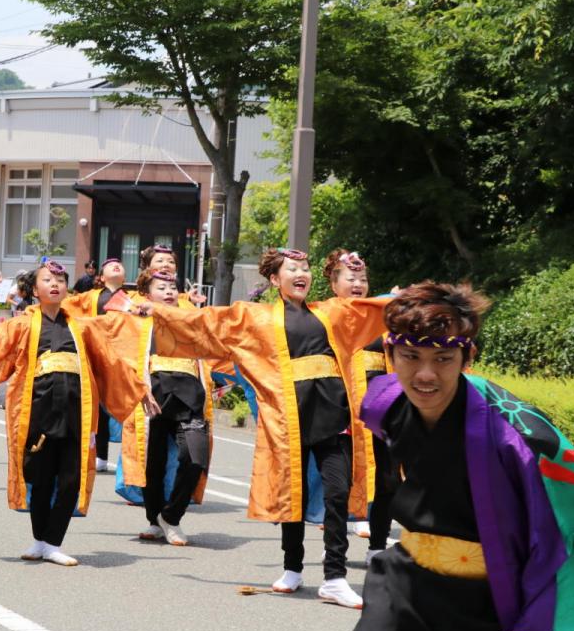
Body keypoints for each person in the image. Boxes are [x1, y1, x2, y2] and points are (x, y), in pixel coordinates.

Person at [283, 281, 574, 631]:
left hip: (483, 606)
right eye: (411, 357)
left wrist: (529, 629)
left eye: (443, 360)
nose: (425, 375)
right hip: (406, 587)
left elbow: (552, 534)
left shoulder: (513, 434)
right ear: (390, 353)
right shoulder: (383, 403)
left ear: (468, 358)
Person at [138, 247, 390, 608]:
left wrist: (422, 300)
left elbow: (378, 310)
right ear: (275, 279)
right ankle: (293, 567)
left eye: (305, 268)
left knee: (336, 496)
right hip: (290, 419)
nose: (301, 273)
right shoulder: (256, 317)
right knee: (295, 496)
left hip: (333, 416)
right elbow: (209, 322)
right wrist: (161, 309)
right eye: (292, 269)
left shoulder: (331, 312)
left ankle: (335, 577)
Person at [0, 261, 149, 566]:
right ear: (34, 290)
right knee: (39, 476)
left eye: (61, 280)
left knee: (69, 480)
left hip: (75, 410)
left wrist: (138, 391)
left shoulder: (82, 326)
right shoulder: (20, 325)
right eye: (48, 280)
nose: (55, 284)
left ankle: (53, 543)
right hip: (37, 410)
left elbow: (111, 362)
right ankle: (40, 540)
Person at [120, 269, 215, 546]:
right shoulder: (136, 323)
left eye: (172, 287)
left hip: (190, 397)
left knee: (195, 458)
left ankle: (171, 516)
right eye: (161, 288)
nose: (169, 292)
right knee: (154, 463)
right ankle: (154, 519)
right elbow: (119, 355)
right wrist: (138, 390)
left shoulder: (190, 320)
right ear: (147, 295)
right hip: (154, 396)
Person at [322, 249, 396, 565]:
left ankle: (377, 544)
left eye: (363, 279)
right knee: (339, 485)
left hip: (382, 412)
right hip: (342, 411)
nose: (358, 284)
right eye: (350, 278)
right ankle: (334, 548)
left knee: (388, 479)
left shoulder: (381, 316)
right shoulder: (324, 316)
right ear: (334, 283)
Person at [63, 258, 129, 472]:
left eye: (119, 264)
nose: (116, 266)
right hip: (98, 357)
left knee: (130, 411)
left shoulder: (134, 298)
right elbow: (63, 304)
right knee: (98, 409)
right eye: (110, 265)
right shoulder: (90, 297)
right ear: (100, 277)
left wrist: (186, 298)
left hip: (125, 359)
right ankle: (99, 456)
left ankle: (129, 463)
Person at [137, 244, 207, 305]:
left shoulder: (184, 304)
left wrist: (188, 297)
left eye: (171, 262)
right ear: (147, 266)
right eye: (160, 261)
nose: (166, 265)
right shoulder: (134, 300)